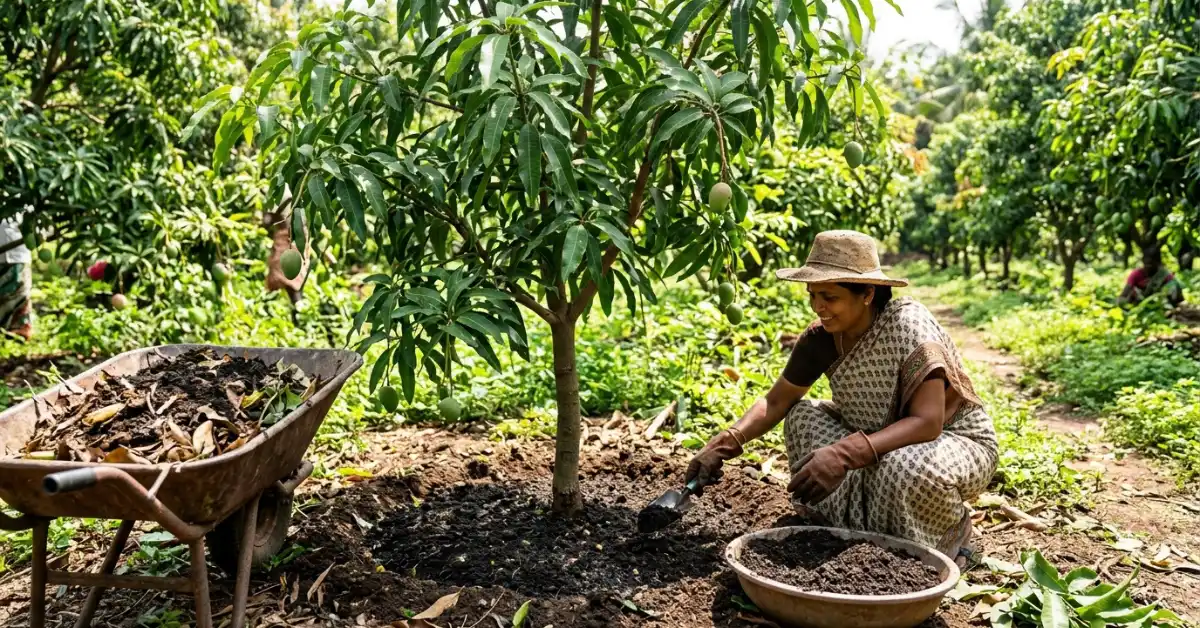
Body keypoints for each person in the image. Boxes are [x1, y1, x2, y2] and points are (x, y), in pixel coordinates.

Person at [685, 230, 998, 563]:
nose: (818, 307)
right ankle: (847, 531)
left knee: (902, 466)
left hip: (952, 441)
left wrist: (844, 454)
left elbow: (928, 422)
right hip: (877, 439)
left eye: (829, 297)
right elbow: (777, 402)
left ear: (867, 294)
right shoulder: (820, 340)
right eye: (812, 295)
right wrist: (726, 442)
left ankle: (948, 539)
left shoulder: (909, 328)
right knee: (802, 417)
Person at [0, 215, 33, 341]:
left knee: (20, 294)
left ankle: (18, 330)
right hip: (14, 254)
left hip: (18, 255)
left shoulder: (24, 205)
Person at [1118, 246, 1184, 307]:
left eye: (1151, 264)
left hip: (1160, 305)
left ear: (1158, 263)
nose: (1148, 267)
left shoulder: (1164, 275)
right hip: (1139, 305)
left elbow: (1177, 293)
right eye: (1146, 264)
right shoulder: (1136, 274)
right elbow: (1124, 294)